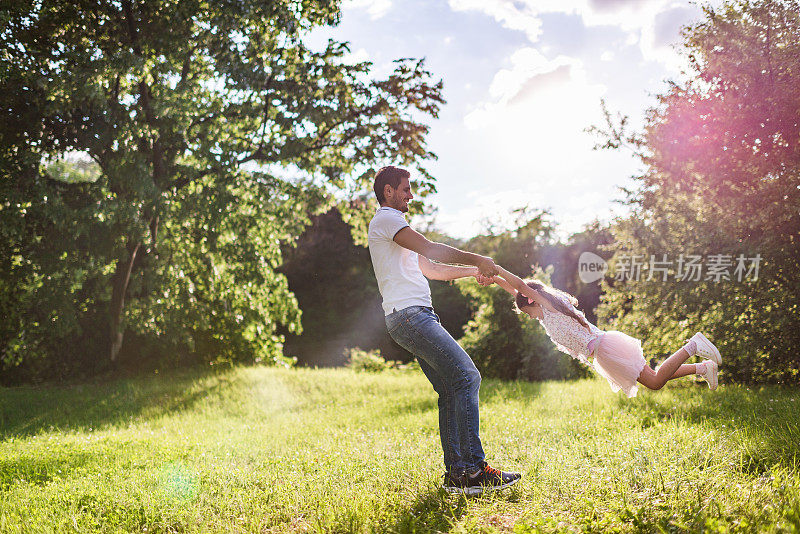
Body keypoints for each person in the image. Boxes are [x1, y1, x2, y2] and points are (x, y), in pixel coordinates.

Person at [367, 165, 521, 495]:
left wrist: (474, 271)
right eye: (405, 189)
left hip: (412, 317)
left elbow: (433, 269)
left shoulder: (398, 231)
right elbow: (432, 249)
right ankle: (473, 471)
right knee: (468, 376)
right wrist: (479, 257)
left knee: (452, 388)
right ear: (389, 192)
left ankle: (459, 476)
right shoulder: (386, 220)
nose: (410, 194)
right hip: (411, 317)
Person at [488, 266, 721, 396]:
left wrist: (496, 268)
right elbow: (516, 291)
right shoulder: (548, 312)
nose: (530, 318)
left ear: (533, 301)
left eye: (527, 313)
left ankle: (694, 346)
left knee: (655, 381)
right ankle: (703, 367)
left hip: (606, 349)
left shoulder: (551, 307)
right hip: (603, 351)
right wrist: (494, 279)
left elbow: (520, 286)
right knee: (652, 379)